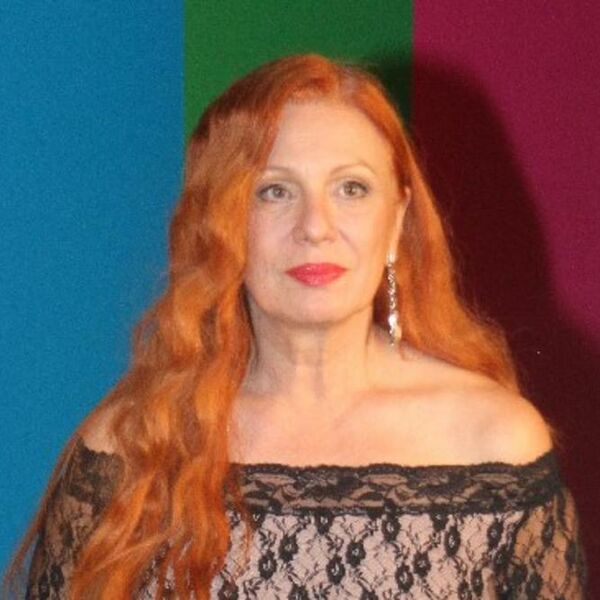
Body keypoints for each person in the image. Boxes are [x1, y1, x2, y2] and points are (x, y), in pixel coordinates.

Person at [4, 53, 587, 599]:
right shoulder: (129, 447)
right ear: (221, 223)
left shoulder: (496, 444)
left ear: (396, 220)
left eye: (351, 188)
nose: (315, 226)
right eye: (275, 191)